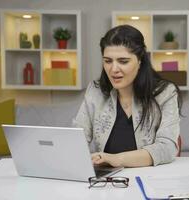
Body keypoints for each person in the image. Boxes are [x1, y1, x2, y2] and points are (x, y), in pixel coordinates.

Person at [73, 25, 182, 168]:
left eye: (123, 61)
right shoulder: (95, 91)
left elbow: (167, 148)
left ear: (140, 61)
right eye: (108, 61)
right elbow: (77, 139)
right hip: (107, 181)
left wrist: (115, 159)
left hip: (149, 178)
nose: (114, 69)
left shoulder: (165, 93)